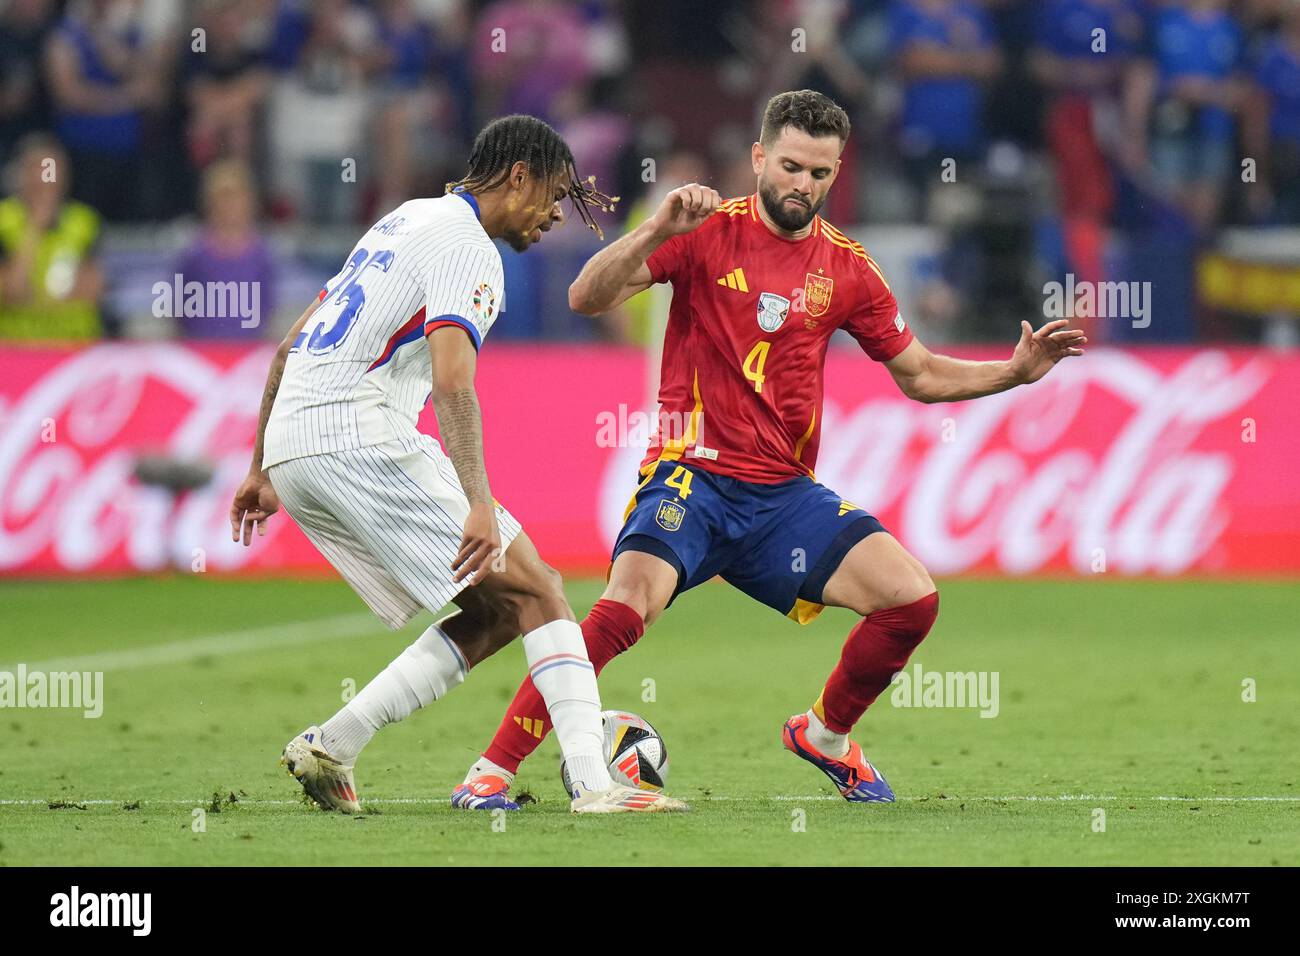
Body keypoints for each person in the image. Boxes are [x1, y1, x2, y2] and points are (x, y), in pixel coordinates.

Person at [455, 90, 1085, 810]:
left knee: (911, 600)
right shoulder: (701, 231)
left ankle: (824, 735)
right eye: (790, 167)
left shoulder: (848, 269)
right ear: (759, 158)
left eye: (820, 173)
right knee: (622, 611)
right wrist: (656, 227)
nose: (803, 186)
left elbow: (919, 373)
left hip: (781, 496)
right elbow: (585, 297)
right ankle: (492, 772)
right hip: (689, 478)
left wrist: (1013, 372)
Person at [229, 114, 685, 814]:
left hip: (298, 445)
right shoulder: (470, 248)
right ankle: (596, 787)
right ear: (518, 176)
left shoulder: (401, 221)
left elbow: (289, 345)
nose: (556, 217)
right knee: (540, 589)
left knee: (499, 608)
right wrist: (478, 499)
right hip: (358, 432)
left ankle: (335, 744)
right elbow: (452, 381)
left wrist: (262, 468)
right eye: (555, 197)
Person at [0, 133, 103, 341]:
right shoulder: (4, 221)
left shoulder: (84, 221)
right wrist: (34, 229)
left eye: (52, 169)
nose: (46, 177)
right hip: (17, 346)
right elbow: (13, 291)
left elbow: (91, 292)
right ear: (20, 174)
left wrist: (37, 299)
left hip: (73, 344)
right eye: (37, 168)